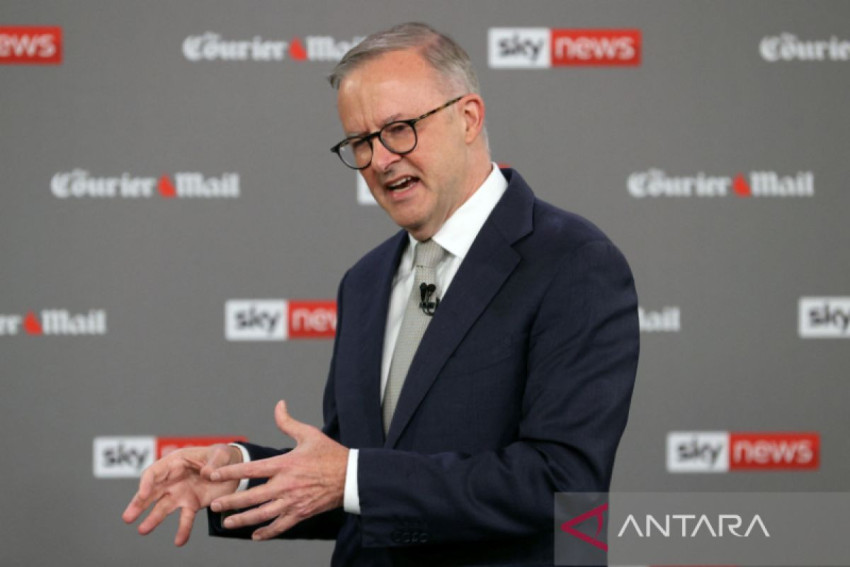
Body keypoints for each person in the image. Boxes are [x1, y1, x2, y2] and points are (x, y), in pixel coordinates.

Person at [123, 22, 639, 566]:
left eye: (399, 129)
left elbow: (563, 484)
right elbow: (352, 484)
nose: (380, 160)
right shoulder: (365, 281)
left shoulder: (573, 263)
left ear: (468, 117)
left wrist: (351, 477)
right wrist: (237, 477)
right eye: (361, 142)